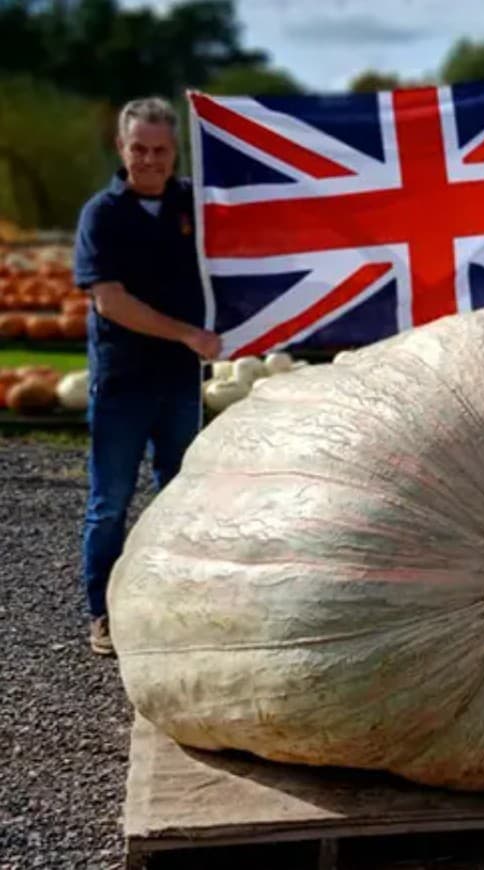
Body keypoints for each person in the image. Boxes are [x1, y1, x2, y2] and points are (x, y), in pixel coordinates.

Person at [73, 97, 222, 656]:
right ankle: (103, 615)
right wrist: (187, 334)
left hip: (182, 383)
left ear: (175, 151)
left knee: (181, 498)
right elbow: (110, 302)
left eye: (161, 150)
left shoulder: (195, 205)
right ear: (121, 147)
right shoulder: (102, 215)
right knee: (109, 502)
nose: (150, 160)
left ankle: (171, 608)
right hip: (123, 383)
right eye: (139, 148)